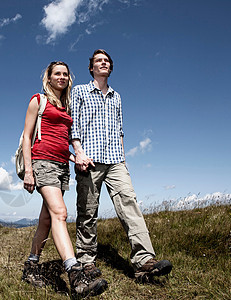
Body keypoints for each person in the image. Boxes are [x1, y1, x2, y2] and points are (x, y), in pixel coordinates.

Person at [70, 49, 173, 281]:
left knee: (130, 203)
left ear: (110, 67)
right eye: (99, 61)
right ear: (91, 67)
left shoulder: (117, 96)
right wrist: (78, 153)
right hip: (89, 159)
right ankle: (86, 261)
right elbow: (73, 126)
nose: (103, 63)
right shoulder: (80, 91)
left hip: (116, 159)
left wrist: (124, 160)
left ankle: (144, 260)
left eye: (106, 61)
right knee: (87, 210)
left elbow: (120, 130)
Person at [21, 61, 108, 298]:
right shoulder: (38, 100)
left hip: (61, 166)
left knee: (47, 219)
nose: (61, 77)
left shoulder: (66, 106)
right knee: (60, 213)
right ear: (48, 78)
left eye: (65, 74)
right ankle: (75, 276)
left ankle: (31, 266)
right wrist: (29, 171)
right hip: (42, 163)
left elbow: (62, 143)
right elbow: (27, 138)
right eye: (56, 73)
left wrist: (76, 158)